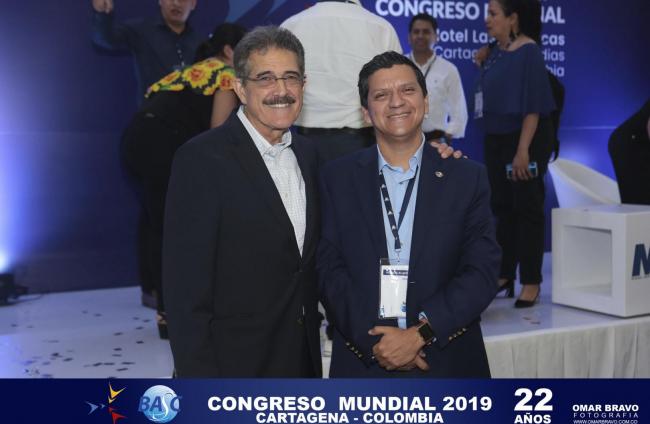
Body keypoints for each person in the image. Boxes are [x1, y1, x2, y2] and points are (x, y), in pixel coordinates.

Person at [162, 26, 461, 377]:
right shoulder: (201, 160)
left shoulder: (310, 157)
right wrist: (200, 386)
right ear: (240, 88)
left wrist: (434, 158)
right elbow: (185, 292)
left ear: (304, 86)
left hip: (301, 363)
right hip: (232, 370)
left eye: (291, 78)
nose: (281, 91)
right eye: (265, 78)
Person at [317, 51, 501, 377]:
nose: (396, 102)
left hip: (447, 361)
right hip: (365, 363)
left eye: (407, 90)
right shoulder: (337, 178)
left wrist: (420, 334)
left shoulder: (466, 177)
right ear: (365, 112)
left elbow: (481, 271)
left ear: (425, 102)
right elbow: (329, 271)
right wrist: (376, 343)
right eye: (381, 95)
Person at [121, 23, 245, 339]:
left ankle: (160, 304)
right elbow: (217, 131)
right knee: (172, 229)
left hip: (134, 140)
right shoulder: (225, 74)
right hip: (163, 144)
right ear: (230, 50)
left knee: (155, 224)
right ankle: (173, 315)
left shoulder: (190, 71)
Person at [475, 0, 555, 307]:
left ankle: (531, 280)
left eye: (493, 14)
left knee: (526, 208)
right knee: (503, 208)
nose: (487, 19)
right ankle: (505, 274)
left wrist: (523, 151)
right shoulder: (494, 52)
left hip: (523, 139)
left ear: (513, 19)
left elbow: (533, 107)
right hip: (495, 140)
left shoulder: (529, 51)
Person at [281, 0, 402, 162]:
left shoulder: (292, 25)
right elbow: (397, 89)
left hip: (302, 141)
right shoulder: (380, 27)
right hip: (360, 142)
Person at [91, 0, 201, 103]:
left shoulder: (201, 43)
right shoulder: (141, 31)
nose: (176, 3)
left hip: (191, 114)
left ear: (193, 4)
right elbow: (105, 39)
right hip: (153, 114)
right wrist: (102, 14)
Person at [406, 14, 468, 143]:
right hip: (403, 140)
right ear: (409, 37)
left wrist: (444, 138)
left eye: (426, 32)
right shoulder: (398, 66)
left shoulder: (449, 70)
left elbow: (459, 113)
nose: (420, 36)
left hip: (436, 142)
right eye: (416, 32)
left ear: (436, 37)